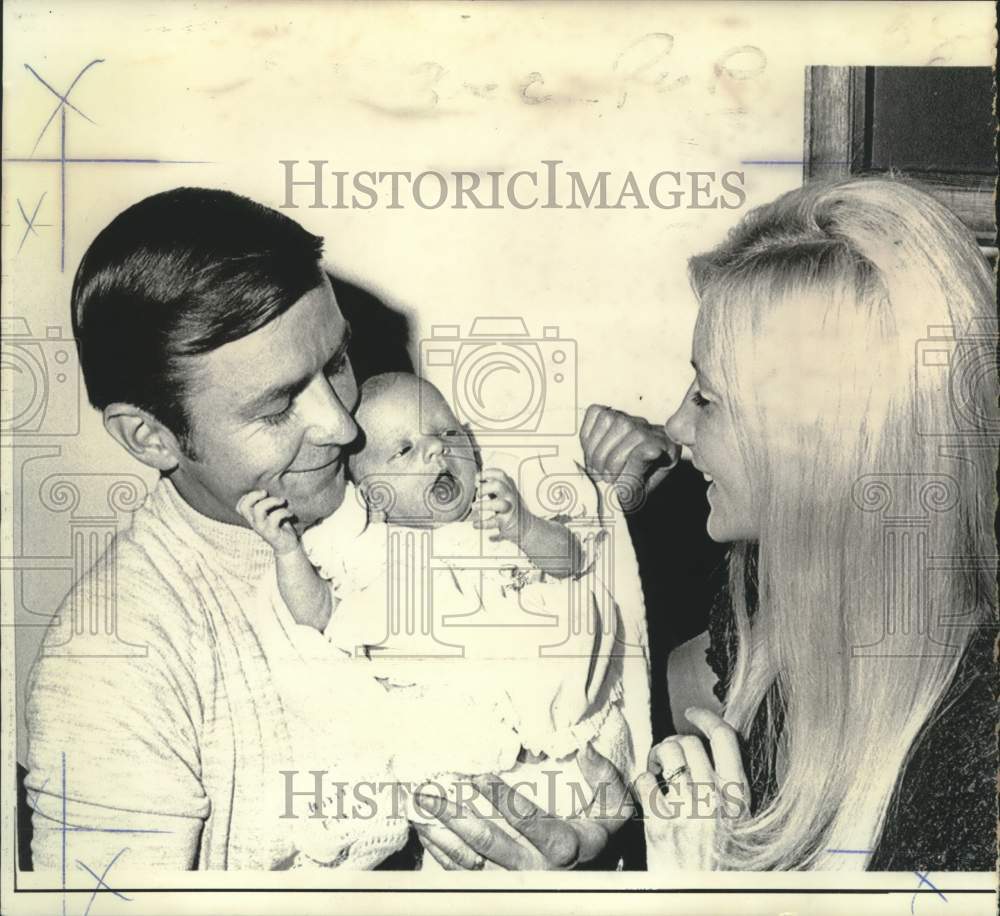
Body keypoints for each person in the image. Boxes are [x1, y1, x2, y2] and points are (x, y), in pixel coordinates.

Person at [23, 188, 632, 871]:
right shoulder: (113, 661)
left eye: (337, 363)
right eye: (280, 405)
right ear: (151, 437)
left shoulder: (399, 480)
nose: (344, 426)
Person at [421, 176, 996, 872]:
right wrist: (605, 846)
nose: (674, 425)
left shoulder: (973, 760)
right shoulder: (758, 595)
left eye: (707, 398)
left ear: (819, 447)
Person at [239, 371, 636, 869]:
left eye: (448, 435)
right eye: (403, 451)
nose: (436, 452)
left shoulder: (496, 522)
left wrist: (523, 527)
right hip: (460, 746)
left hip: (554, 731)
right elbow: (318, 613)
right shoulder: (367, 556)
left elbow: (571, 564)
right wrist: (287, 551)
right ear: (368, 494)